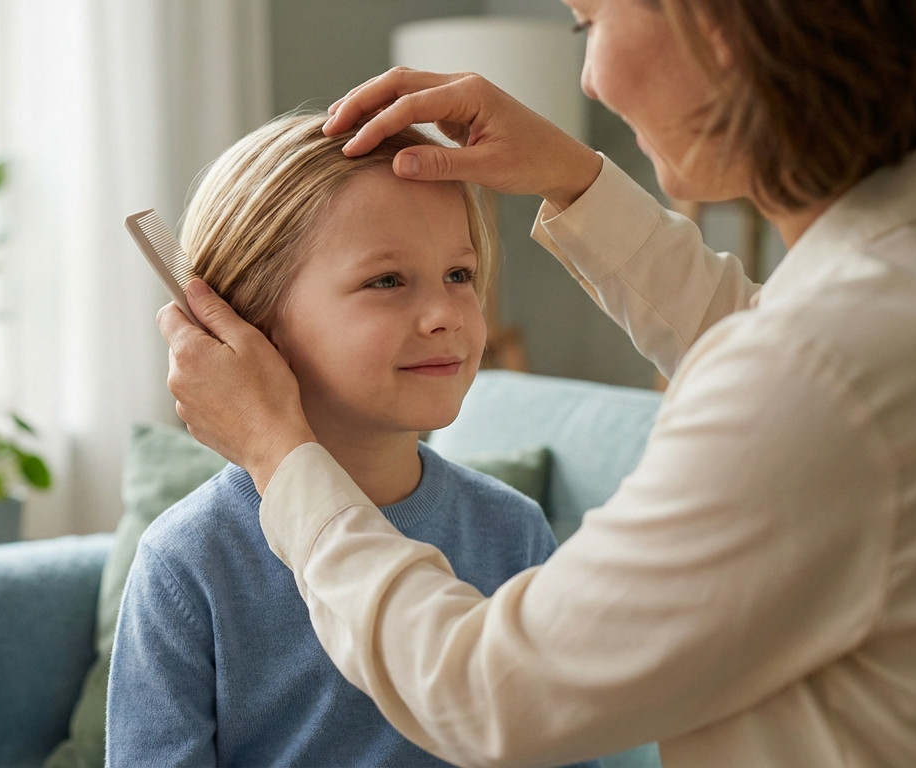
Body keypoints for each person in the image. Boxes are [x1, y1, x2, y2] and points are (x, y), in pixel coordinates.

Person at [155, 0, 916, 766]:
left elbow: (487, 696)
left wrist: (278, 452)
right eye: (387, 281)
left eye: (590, 21)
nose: (590, 81)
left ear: (721, 27)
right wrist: (573, 179)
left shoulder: (825, 368)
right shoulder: (891, 304)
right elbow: (768, 334)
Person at [106, 113, 601, 768]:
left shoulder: (513, 531)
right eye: (387, 281)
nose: (445, 315)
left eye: (459, 274)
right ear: (245, 327)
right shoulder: (188, 563)